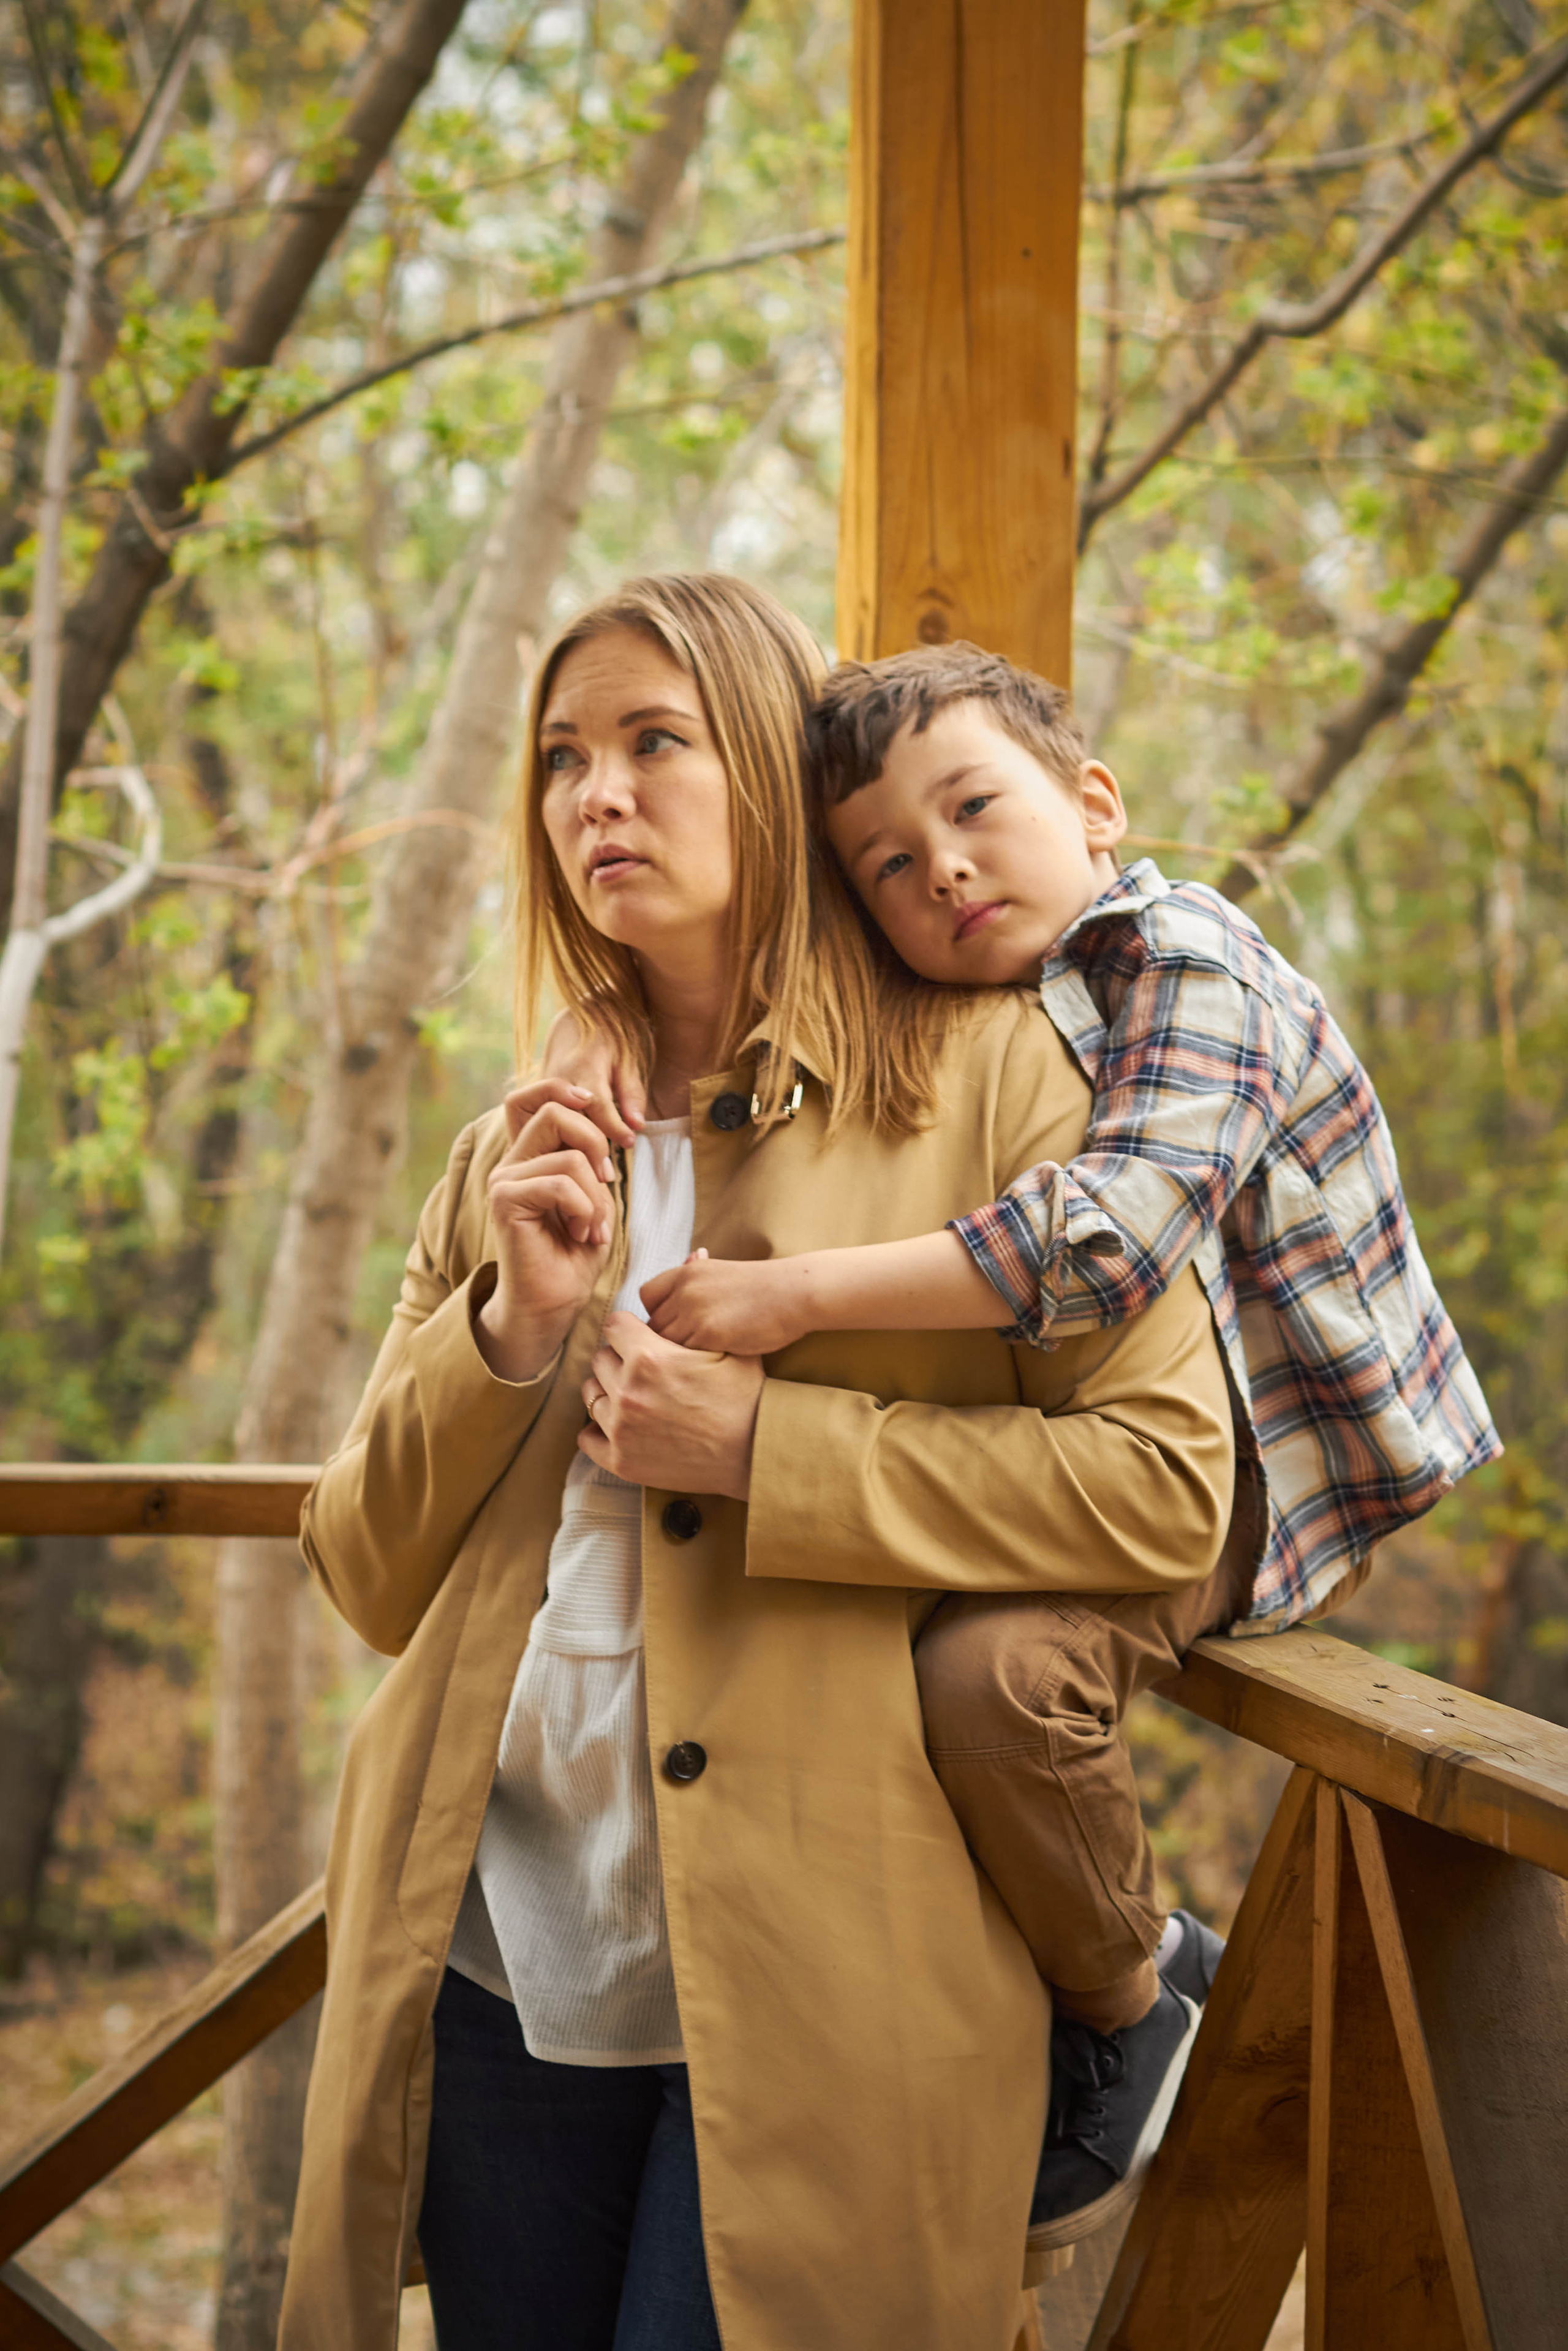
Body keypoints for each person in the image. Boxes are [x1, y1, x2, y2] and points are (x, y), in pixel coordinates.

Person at [279, 578, 1238, 2351]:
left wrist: (768, 1450)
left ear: (777, 778)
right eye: (562, 758)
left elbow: (1166, 1486)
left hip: (834, 1965)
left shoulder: (1002, 1081)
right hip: (501, 1960)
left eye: (657, 742)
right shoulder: (518, 1142)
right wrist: (508, 1327)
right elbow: (361, 1566)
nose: (597, 796)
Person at [553, 638, 1501, 2250]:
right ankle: (1071, 1987)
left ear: (1096, 802)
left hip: (1279, 1470)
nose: (943, 870)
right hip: (1149, 1451)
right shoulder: (1002, 1007)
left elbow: (1103, 1243)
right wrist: (611, 1018)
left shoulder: (1194, 965)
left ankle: (1131, 2003)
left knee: (993, 1679)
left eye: (976, 810)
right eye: (889, 866)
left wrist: (792, 1298)